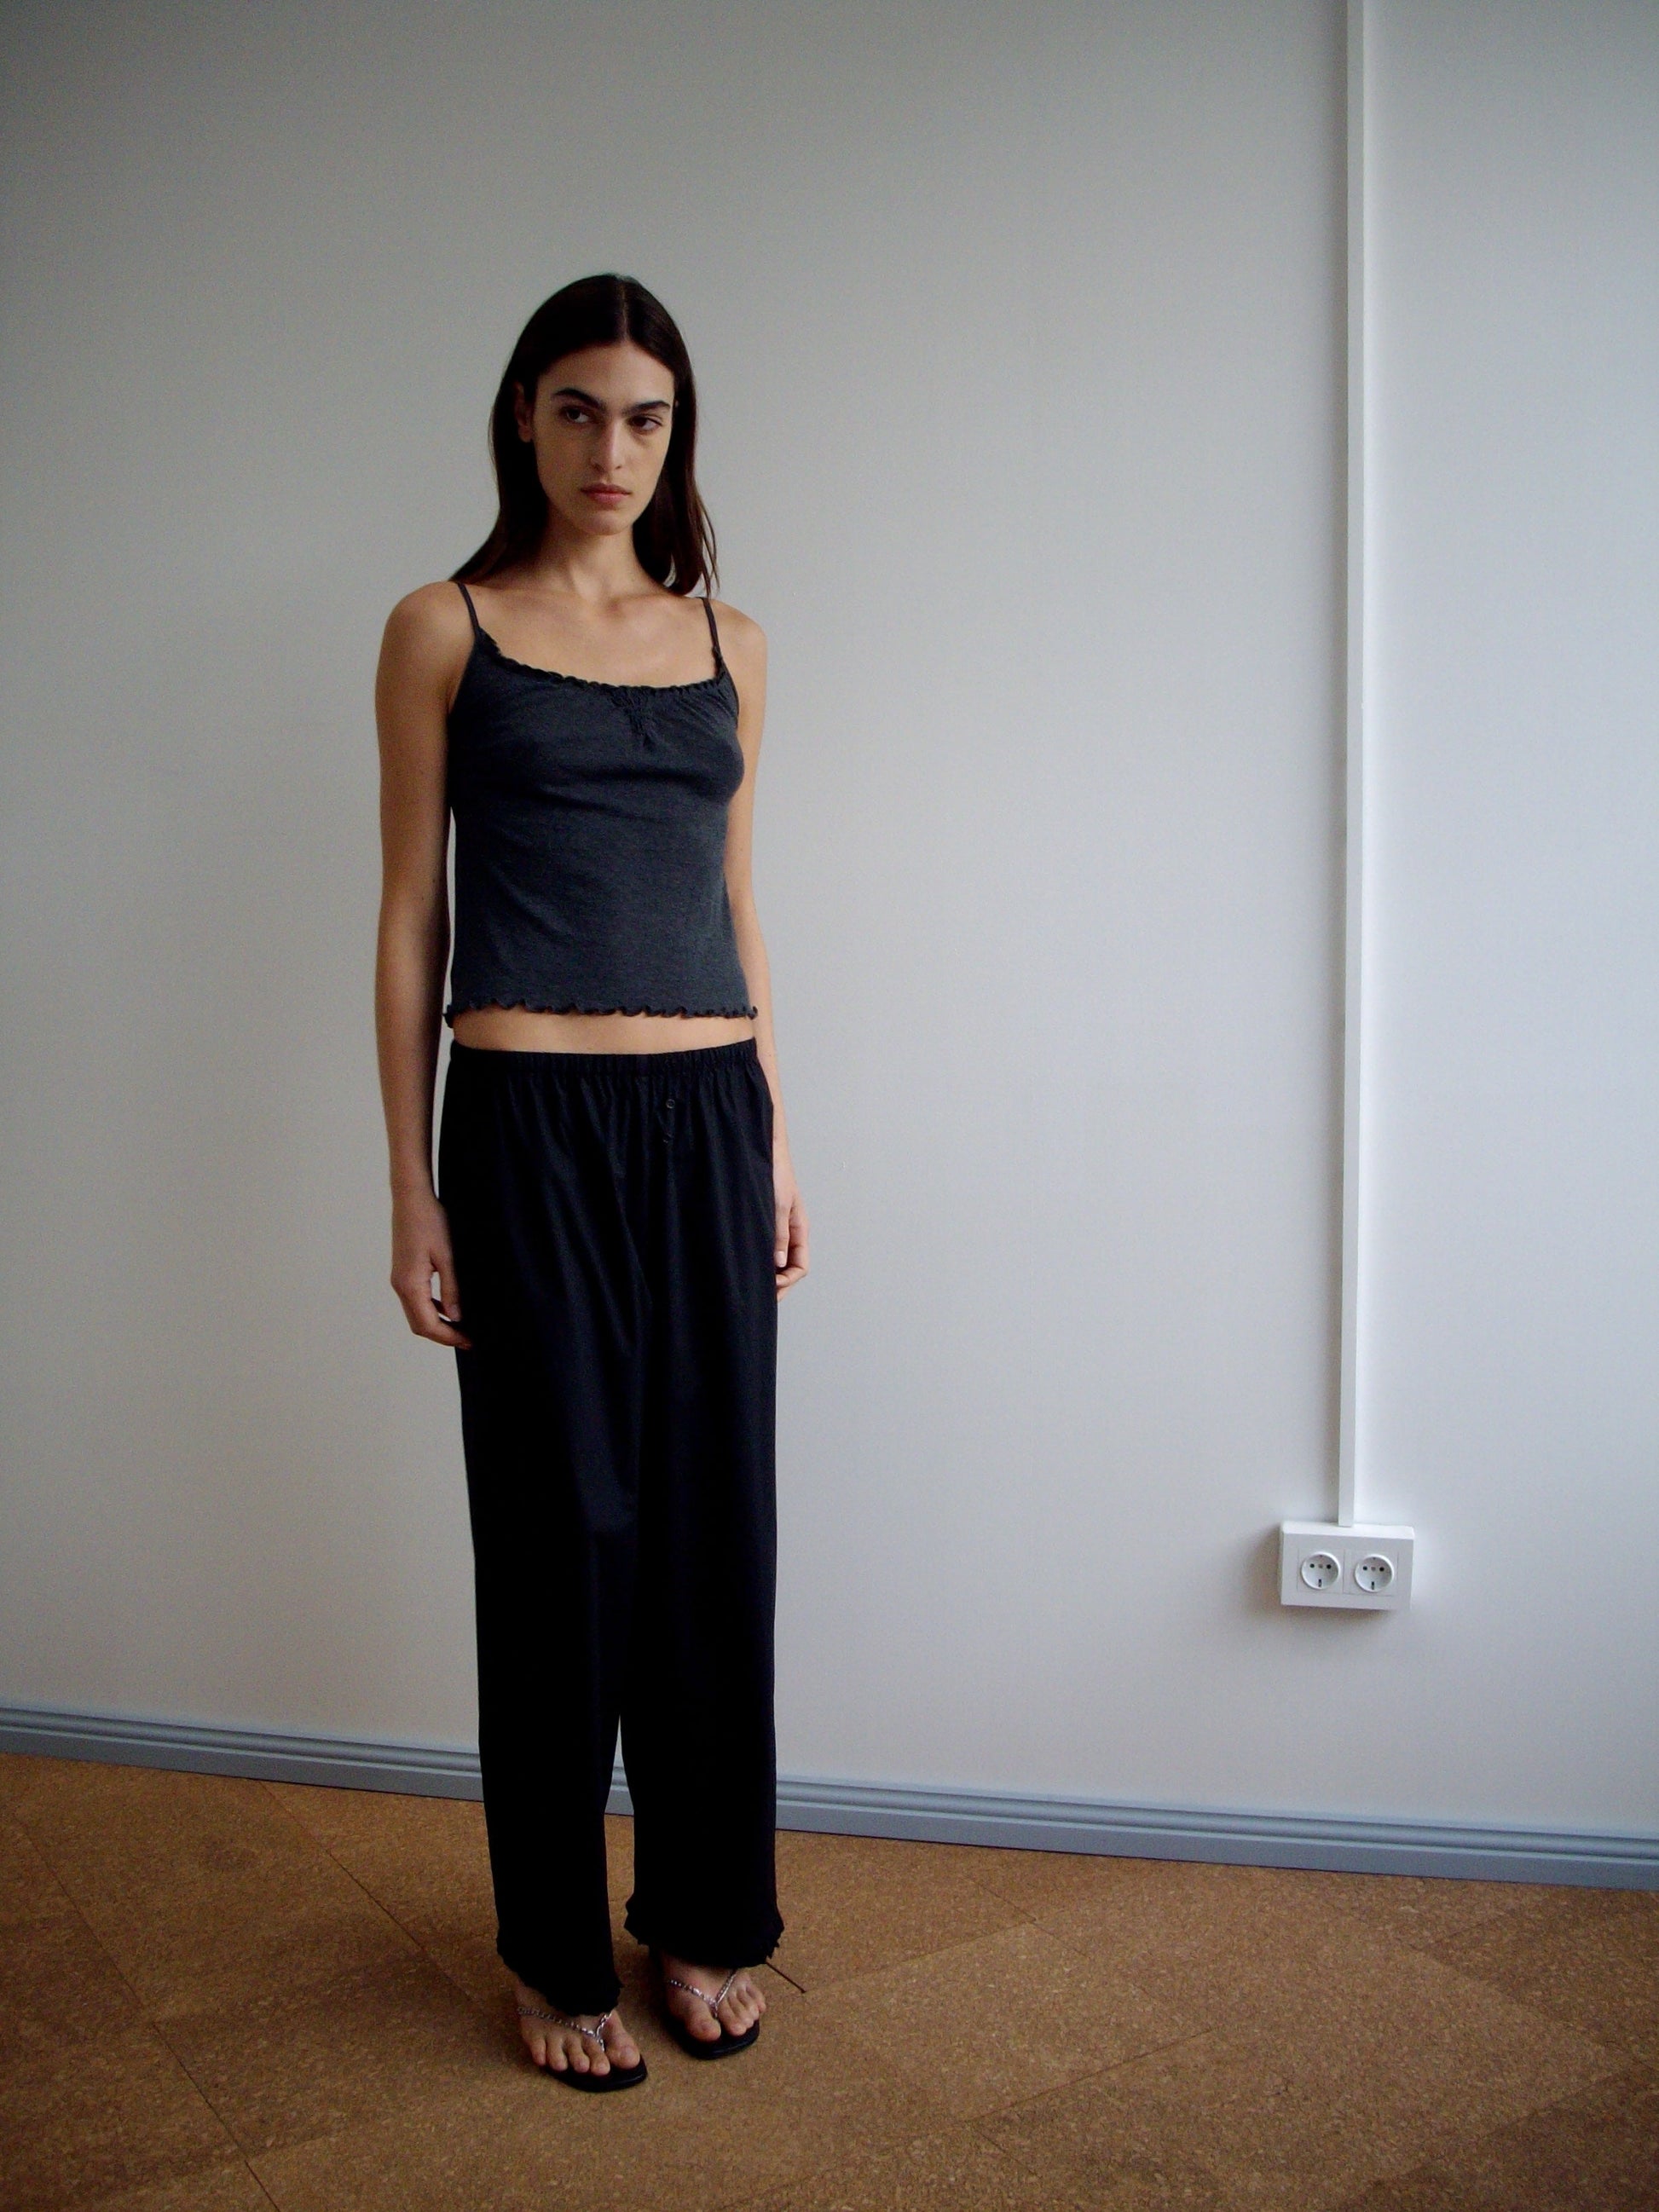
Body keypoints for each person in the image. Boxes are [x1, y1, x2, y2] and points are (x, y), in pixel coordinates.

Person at [373, 273, 808, 2091]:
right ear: (522, 418)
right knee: (563, 1547)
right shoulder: (440, 626)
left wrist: (776, 1129)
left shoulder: (734, 643)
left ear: (676, 431)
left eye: (643, 416)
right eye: (575, 409)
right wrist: (410, 1185)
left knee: (711, 1539)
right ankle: (555, 1949)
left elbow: (734, 895)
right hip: (528, 1128)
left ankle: (702, 1913)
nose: (610, 449)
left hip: (704, 1120)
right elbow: (411, 916)